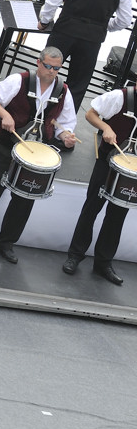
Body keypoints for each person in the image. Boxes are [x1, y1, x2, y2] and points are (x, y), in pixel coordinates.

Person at [0, 47, 78, 262]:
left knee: (25, 199)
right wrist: (5, 115)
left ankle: (6, 243)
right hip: (6, 145)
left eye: (57, 68)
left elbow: (66, 124)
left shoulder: (63, 90)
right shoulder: (20, 80)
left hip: (36, 153)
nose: (52, 72)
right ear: (39, 63)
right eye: (49, 66)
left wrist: (66, 135)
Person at [38, 0, 134, 112]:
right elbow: (125, 20)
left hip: (64, 30)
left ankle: (32, 114)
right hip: (92, 39)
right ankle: (62, 132)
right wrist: (104, 26)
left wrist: (44, 20)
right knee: (77, 86)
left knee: (46, 75)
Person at [62, 85, 137, 285]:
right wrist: (106, 128)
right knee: (91, 208)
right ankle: (75, 255)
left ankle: (103, 262)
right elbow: (91, 113)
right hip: (107, 161)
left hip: (131, 169)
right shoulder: (120, 97)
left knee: (117, 215)